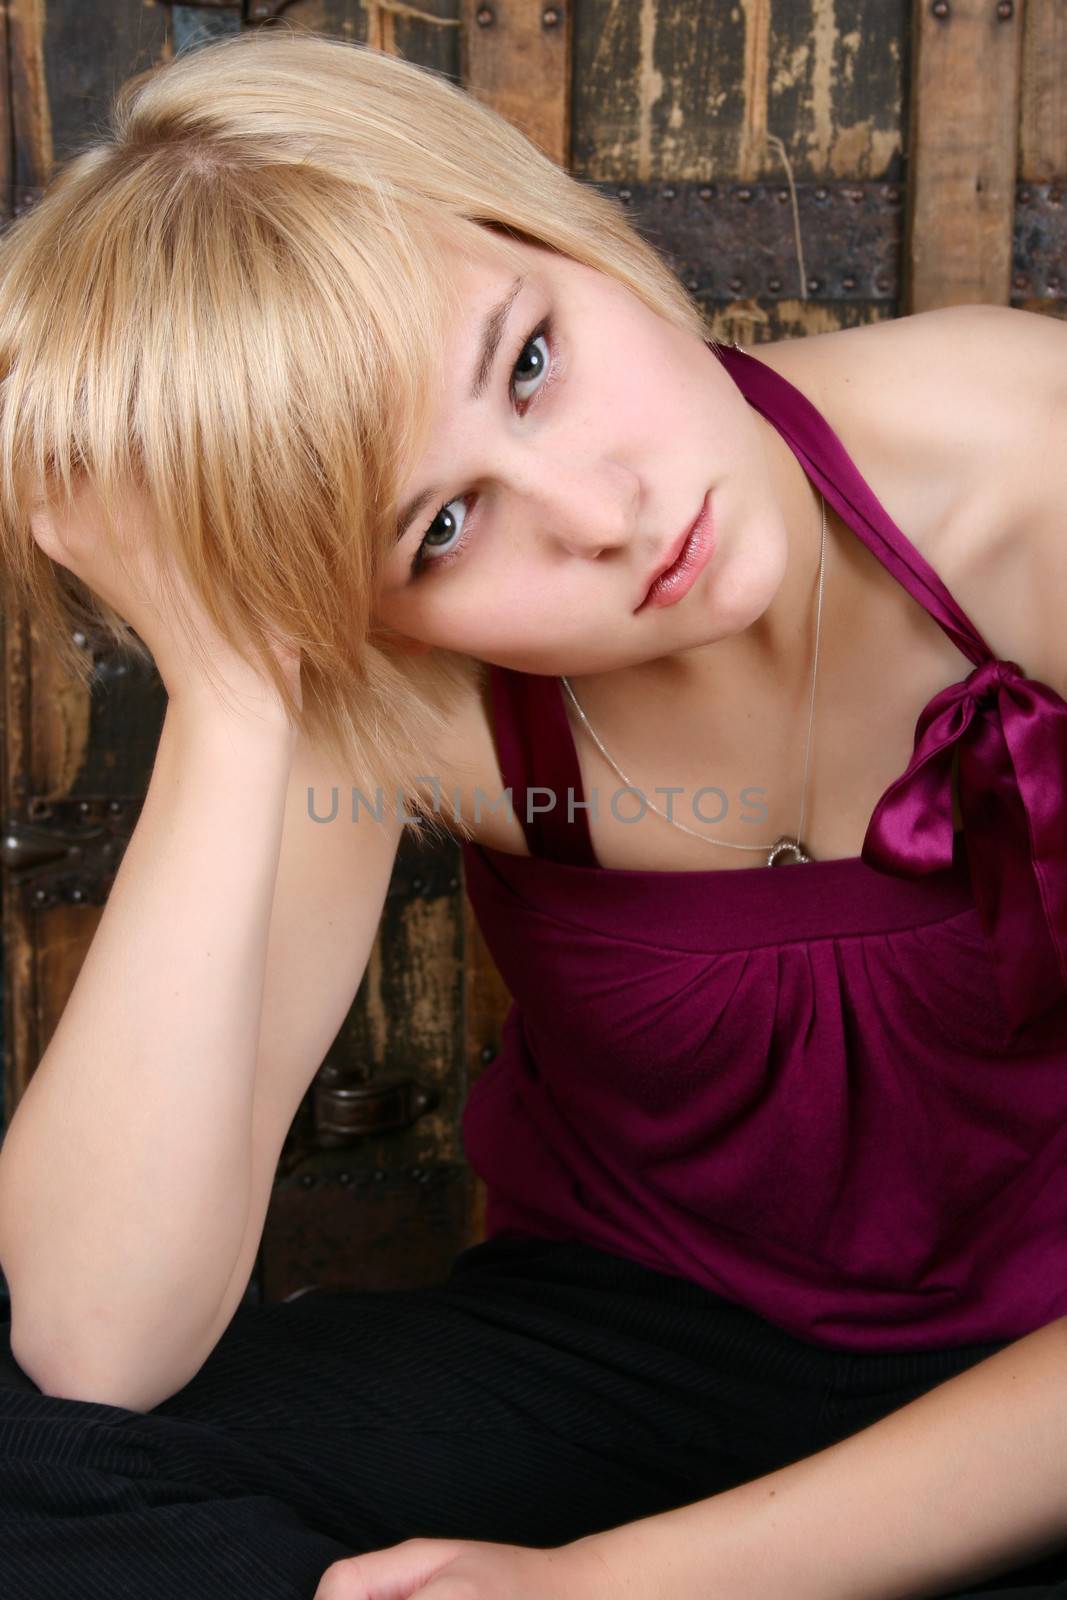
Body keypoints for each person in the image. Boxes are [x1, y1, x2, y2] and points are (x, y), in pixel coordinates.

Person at [0, 25, 1065, 1600]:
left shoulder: (1029, 462)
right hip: (639, 1362)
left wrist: (619, 1588)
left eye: (532, 361)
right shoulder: (399, 695)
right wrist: (230, 687)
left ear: (546, 223)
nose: (603, 513)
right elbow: (87, 1347)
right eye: (439, 527)